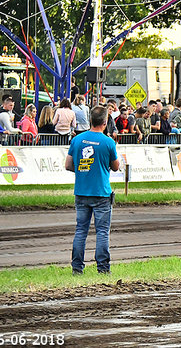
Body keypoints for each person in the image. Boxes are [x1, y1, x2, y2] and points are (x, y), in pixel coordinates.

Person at [65, 106, 120, 275]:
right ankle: (103, 268)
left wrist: (83, 170)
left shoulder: (77, 139)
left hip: (81, 190)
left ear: (90, 120)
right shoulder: (108, 142)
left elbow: (68, 165)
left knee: (81, 230)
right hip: (101, 192)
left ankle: (77, 268)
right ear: (105, 123)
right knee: (102, 231)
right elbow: (116, 167)